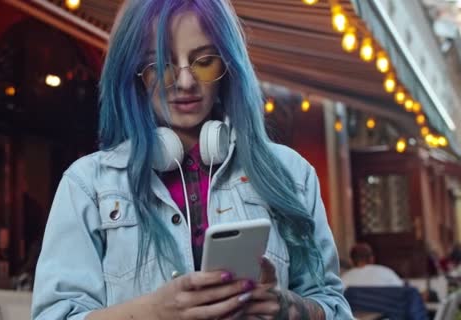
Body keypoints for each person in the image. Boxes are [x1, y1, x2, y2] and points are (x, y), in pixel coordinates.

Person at [32, 0, 353, 319]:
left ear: (228, 66)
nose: (185, 83)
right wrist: (154, 312)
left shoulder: (292, 174)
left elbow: (335, 309)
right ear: (135, 75)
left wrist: (291, 308)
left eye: (204, 61)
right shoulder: (88, 185)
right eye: (160, 64)